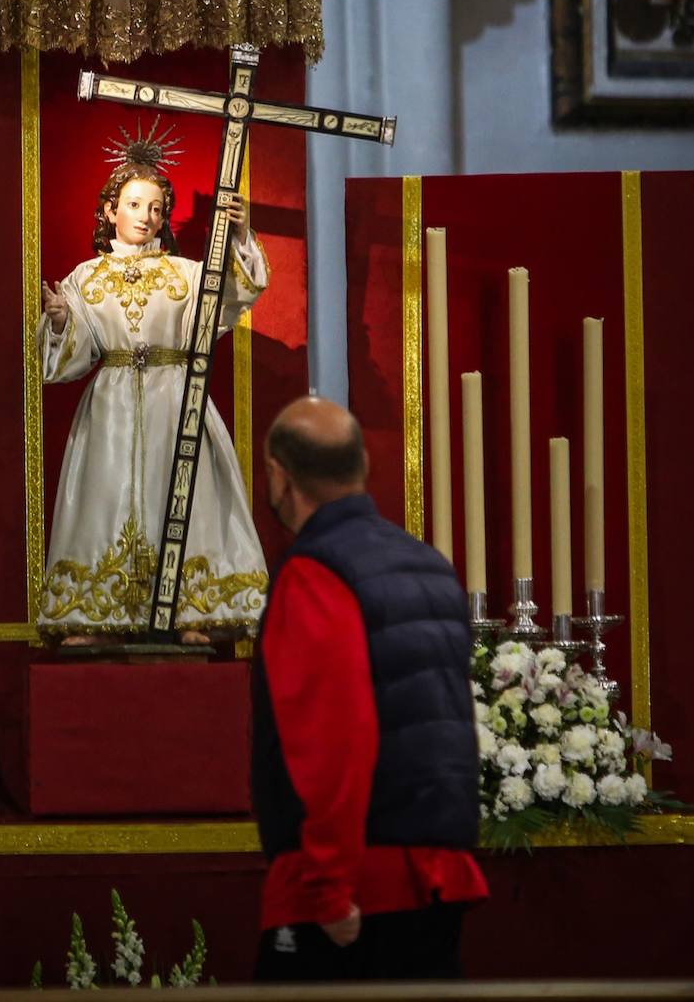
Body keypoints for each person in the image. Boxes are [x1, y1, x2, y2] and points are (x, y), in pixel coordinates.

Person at [251, 396, 487, 981]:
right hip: (438, 872)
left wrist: (328, 888)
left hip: (355, 887)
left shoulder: (314, 573)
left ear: (279, 475)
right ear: (362, 468)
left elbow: (333, 738)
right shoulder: (430, 565)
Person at [36, 125, 270, 642]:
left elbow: (234, 294)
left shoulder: (187, 273)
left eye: (157, 207)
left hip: (177, 399)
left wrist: (236, 235)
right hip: (113, 403)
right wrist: (58, 320)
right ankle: (100, 615)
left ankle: (194, 613)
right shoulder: (84, 278)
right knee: (106, 496)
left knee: (184, 497)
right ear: (109, 211)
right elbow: (71, 355)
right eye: (136, 204)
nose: (147, 216)